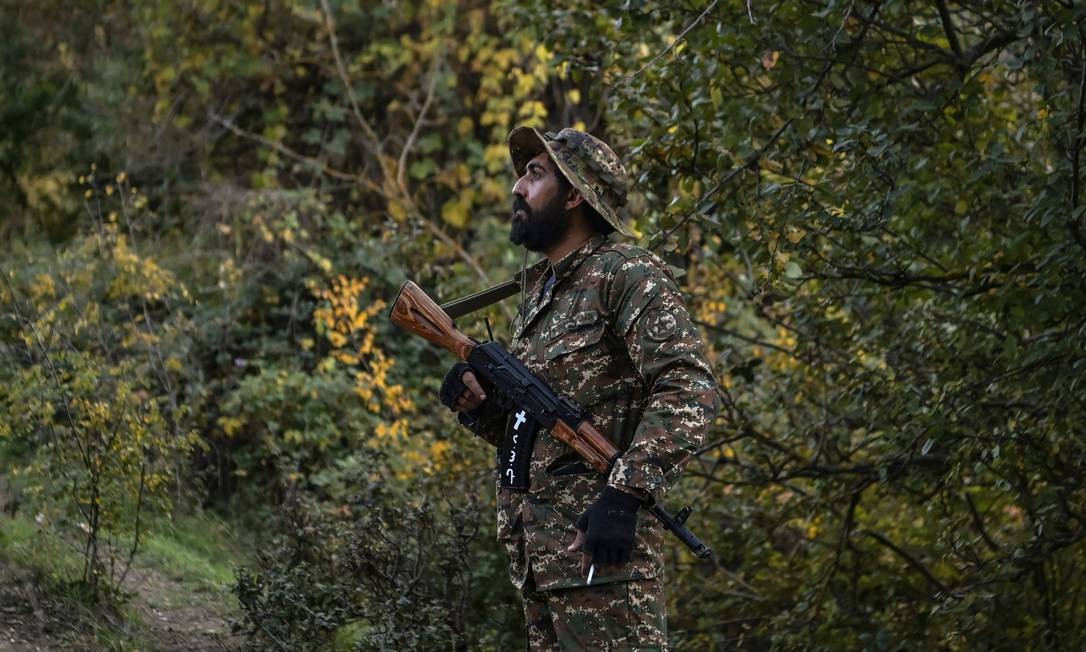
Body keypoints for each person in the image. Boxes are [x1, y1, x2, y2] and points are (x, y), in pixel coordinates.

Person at [438, 126, 719, 650]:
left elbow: (690, 389)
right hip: (541, 561)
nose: (518, 188)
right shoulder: (541, 294)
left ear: (574, 195)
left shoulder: (626, 273)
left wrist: (624, 495)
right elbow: (533, 430)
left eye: (536, 174)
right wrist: (477, 403)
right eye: (523, 173)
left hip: (602, 563)